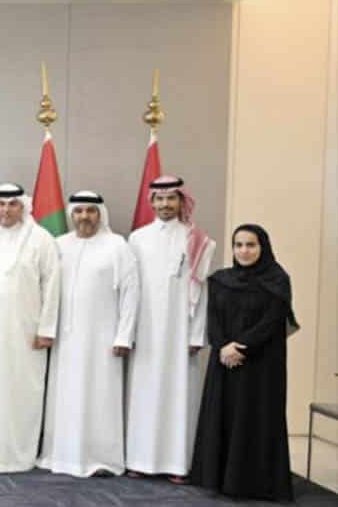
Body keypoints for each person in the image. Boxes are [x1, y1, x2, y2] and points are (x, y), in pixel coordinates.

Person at [190, 224, 296, 501]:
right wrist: (223, 345)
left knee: (254, 416)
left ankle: (253, 483)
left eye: (251, 245)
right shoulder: (220, 280)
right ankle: (219, 478)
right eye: (238, 245)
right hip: (224, 361)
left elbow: (272, 321)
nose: (244, 251)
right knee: (224, 415)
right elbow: (213, 318)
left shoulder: (277, 281)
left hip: (261, 365)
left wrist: (241, 347)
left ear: (263, 247)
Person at [37, 191, 138, 478]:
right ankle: (61, 455)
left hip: (102, 338)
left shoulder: (117, 245)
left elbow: (131, 292)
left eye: (90, 211)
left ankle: (100, 458)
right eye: (79, 211)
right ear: (71, 214)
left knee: (99, 395)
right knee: (64, 395)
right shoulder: (59, 245)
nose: (84, 217)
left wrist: (124, 335)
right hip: (64, 338)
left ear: (100, 214)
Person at [0, 183, 60, 473]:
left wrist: (46, 329)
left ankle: (17, 456)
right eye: (0, 204)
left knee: (21, 390)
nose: (6, 210)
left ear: (23, 207)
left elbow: (52, 285)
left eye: (12, 204)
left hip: (25, 333)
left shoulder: (41, 239)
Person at [126, 175, 216, 483]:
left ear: (181, 201)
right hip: (146, 330)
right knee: (143, 393)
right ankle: (139, 460)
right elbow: (130, 289)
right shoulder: (137, 239)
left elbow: (201, 292)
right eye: (160, 199)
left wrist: (197, 334)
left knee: (179, 394)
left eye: (171, 198)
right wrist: (129, 332)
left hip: (180, 332)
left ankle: (178, 464)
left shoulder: (198, 240)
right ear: (151, 202)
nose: (165, 204)